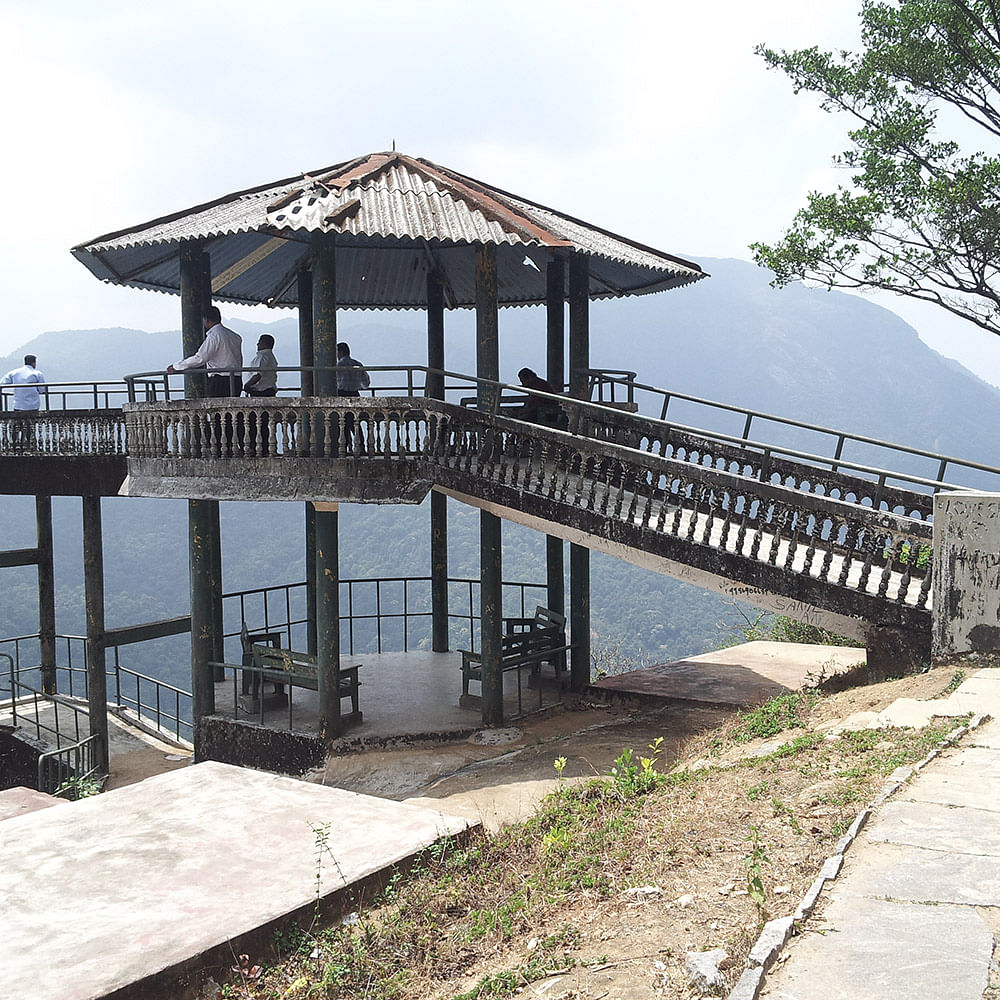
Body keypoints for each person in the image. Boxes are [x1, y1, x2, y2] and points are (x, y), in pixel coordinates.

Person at [167, 305, 243, 397]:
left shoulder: (214, 336)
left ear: (206, 320)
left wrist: (177, 366)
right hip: (237, 380)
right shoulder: (235, 336)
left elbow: (200, 358)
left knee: (217, 410)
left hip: (220, 381)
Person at [2, 355, 46, 451]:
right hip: (32, 405)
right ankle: (29, 447)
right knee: (30, 426)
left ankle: (14, 447)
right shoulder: (37, 373)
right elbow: (42, 390)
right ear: (34, 363)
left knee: (16, 426)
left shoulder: (14, 373)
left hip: (18, 405)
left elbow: (3, 383)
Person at [243, 335, 278, 456]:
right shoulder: (270, 357)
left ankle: (257, 447)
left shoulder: (263, 356)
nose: (257, 344)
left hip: (260, 392)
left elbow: (258, 374)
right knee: (263, 422)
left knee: (255, 422)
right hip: (268, 391)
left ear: (264, 343)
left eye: (259, 342)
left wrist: (247, 385)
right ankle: (264, 447)